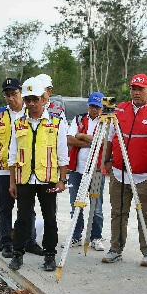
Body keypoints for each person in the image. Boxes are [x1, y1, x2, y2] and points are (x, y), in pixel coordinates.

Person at [102, 73, 147, 267]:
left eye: (140, 89)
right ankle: (115, 249)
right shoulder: (119, 110)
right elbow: (110, 137)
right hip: (119, 173)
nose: (136, 92)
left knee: (146, 214)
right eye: (133, 89)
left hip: (144, 175)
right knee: (118, 212)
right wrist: (108, 163)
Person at [7, 77, 68, 271]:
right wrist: (12, 182)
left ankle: (50, 255)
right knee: (22, 219)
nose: (31, 104)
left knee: (50, 219)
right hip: (24, 179)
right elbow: (13, 155)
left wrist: (62, 180)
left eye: (35, 99)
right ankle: (18, 254)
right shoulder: (18, 123)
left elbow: (62, 155)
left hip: (48, 179)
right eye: (28, 100)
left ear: (43, 99)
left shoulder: (56, 123)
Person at [0, 78, 41, 258]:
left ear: (21, 93)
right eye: (7, 95)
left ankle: (30, 241)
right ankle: (6, 242)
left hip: (26, 169)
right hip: (4, 169)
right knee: (5, 207)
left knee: (27, 207)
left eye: (14, 94)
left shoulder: (30, 113)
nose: (11, 98)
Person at [65, 91, 106, 251]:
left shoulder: (105, 122)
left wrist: (82, 135)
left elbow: (103, 142)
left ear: (102, 107)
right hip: (77, 170)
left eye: (97, 107)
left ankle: (96, 237)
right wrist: (92, 142)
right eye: (92, 106)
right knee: (75, 205)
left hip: (96, 171)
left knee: (96, 206)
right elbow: (69, 139)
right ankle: (76, 236)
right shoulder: (78, 118)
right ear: (88, 106)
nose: (94, 110)